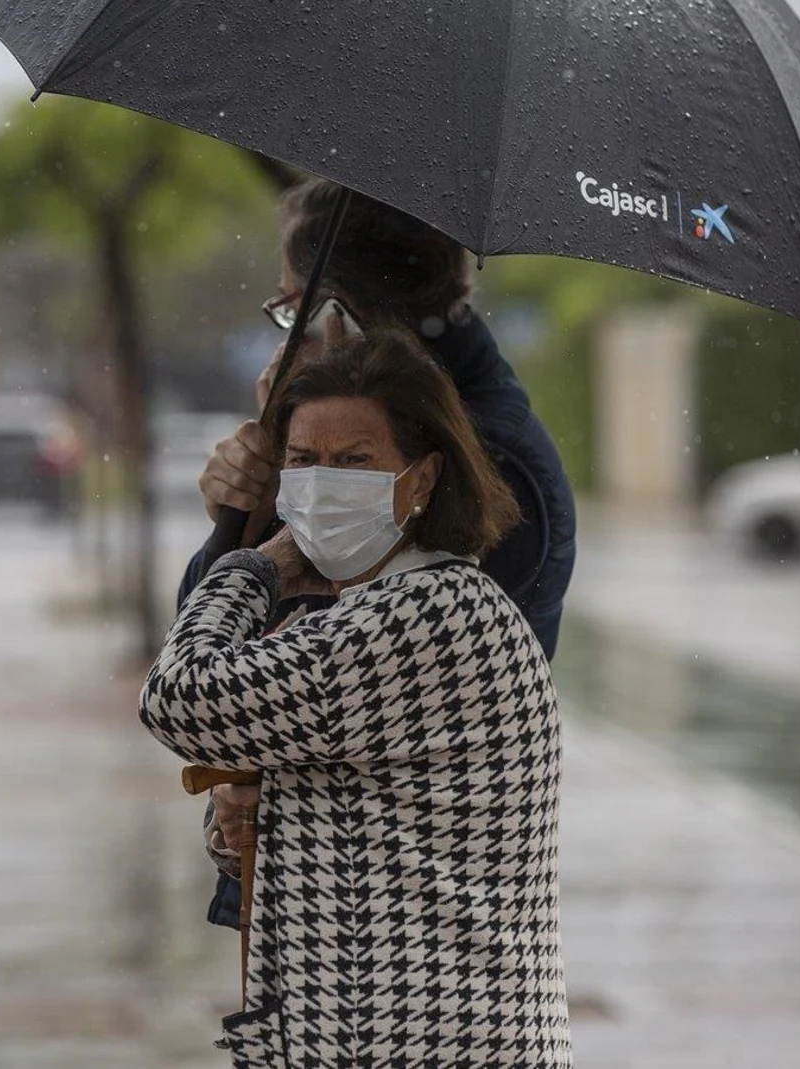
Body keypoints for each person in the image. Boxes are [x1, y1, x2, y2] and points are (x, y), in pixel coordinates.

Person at [141, 331, 571, 1065]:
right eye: (302, 460)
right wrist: (247, 823)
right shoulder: (370, 611)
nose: (320, 482)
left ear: (425, 478)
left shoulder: (427, 615)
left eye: (354, 461)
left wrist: (257, 564)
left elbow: (181, 699)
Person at [181, 180, 577, 929]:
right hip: (339, 904)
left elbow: (222, 691)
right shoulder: (368, 436)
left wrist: (259, 526)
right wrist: (243, 510)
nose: (284, 331)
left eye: (290, 307)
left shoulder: (478, 465)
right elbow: (226, 668)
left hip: (408, 920)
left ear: (339, 313)